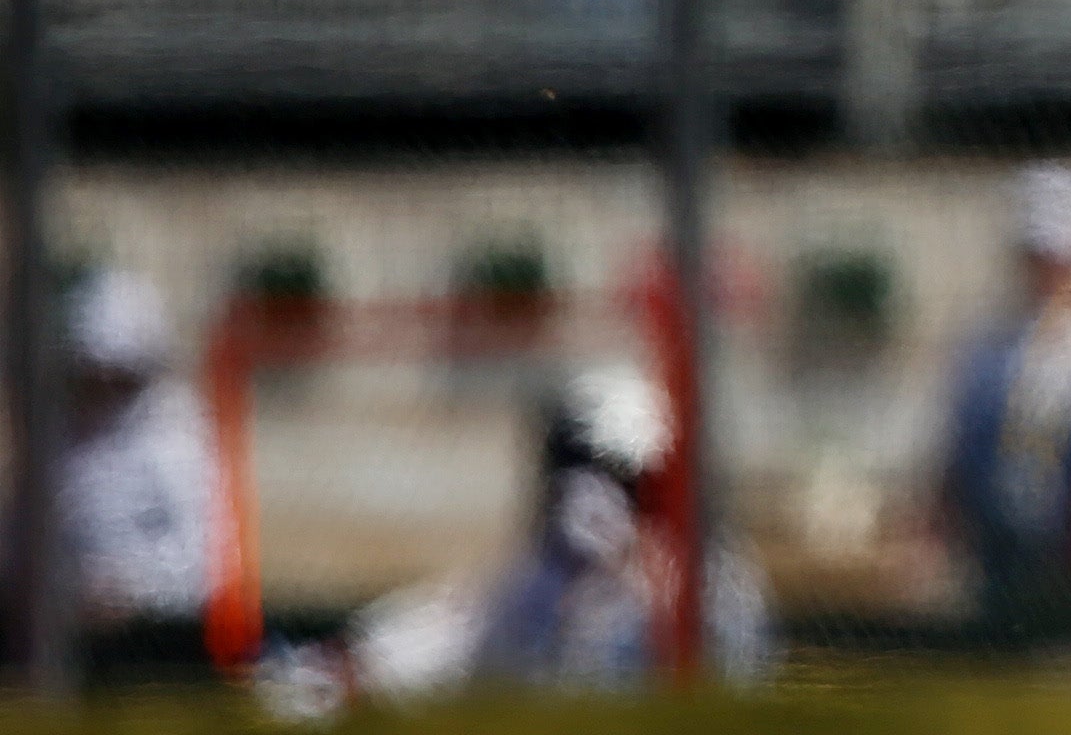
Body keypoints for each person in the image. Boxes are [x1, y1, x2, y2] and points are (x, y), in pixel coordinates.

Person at [277, 365, 769, 708]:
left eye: (625, 484)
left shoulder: (714, 589)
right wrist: (349, 666)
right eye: (574, 475)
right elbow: (448, 635)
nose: (590, 504)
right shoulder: (541, 583)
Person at [934, 163, 1071, 643]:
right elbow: (959, 447)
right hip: (995, 550)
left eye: (1058, 257)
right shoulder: (990, 342)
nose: (1046, 271)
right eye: (1035, 256)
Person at [52, 266, 217, 671]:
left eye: (116, 374)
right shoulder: (60, 440)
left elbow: (204, 559)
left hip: (155, 642)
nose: (103, 387)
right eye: (91, 374)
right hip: (61, 631)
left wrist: (132, 590)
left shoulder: (175, 442)